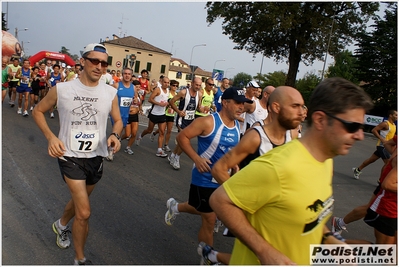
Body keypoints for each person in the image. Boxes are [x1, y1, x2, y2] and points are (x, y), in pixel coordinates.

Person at [209, 77, 373, 265]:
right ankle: (209, 253)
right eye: (352, 126)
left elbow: (312, 217)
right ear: (320, 120)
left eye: (361, 127)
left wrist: (330, 240)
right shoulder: (279, 166)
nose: (360, 135)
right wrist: (264, 250)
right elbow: (220, 200)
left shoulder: (326, 161)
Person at [32, 43, 123, 265]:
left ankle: (61, 224)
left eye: (104, 63)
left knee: (78, 202)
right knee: (84, 212)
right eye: (94, 61)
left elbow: (118, 120)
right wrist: (51, 137)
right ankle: (80, 259)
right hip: (69, 156)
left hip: (96, 157)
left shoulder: (110, 92)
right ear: (82, 61)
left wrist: (115, 136)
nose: (99, 66)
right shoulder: (62, 90)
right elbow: (38, 111)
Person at [164, 87, 252, 265]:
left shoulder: (237, 125)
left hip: (223, 179)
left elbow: (230, 150)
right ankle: (208, 257)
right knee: (209, 218)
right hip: (203, 178)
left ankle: (176, 207)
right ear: (225, 103)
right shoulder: (208, 122)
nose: (241, 107)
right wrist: (196, 158)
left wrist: (234, 164)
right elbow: (182, 137)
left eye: (243, 103)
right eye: (237, 103)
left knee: (202, 209)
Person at [364, 143, 397, 244]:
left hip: (395, 210)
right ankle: (331, 243)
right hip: (387, 209)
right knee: (383, 253)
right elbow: (387, 184)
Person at [167, 77, 203, 170]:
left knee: (181, 141)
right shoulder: (183, 92)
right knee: (185, 141)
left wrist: (203, 108)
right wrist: (178, 111)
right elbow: (171, 101)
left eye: (199, 85)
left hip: (191, 120)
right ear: (192, 83)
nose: (198, 87)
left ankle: (173, 155)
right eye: (196, 85)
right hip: (181, 120)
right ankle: (177, 159)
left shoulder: (199, 94)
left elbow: (198, 107)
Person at [352, 109, 397, 179]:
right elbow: (374, 130)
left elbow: (391, 136)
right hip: (382, 146)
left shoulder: (394, 125)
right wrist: (381, 138)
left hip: (387, 146)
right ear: (390, 115)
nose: (397, 117)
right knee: (388, 163)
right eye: (396, 115)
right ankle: (380, 181)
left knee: (371, 160)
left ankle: (357, 170)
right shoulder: (385, 124)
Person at [136, 76, 170, 157]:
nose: (166, 84)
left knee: (162, 132)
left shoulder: (168, 91)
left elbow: (166, 100)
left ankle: (159, 150)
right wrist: (159, 104)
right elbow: (150, 99)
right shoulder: (158, 90)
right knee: (149, 130)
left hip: (162, 114)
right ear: (162, 82)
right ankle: (140, 136)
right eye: (165, 82)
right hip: (154, 113)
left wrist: (167, 104)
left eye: (168, 83)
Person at [107, 67, 136, 161]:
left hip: (126, 114)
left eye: (129, 74)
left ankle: (114, 140)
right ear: (122, 75)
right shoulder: (116, 85)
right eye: (125, 74)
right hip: (116, 115)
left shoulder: (133, 87)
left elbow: (134, 100)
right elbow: (107, 96)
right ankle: (110, 152)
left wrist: (134, 106)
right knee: (116, 132)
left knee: (127, 134)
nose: (127, 75)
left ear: (131, 76)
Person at [150, 80, 180, 152]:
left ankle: (166, 145)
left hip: (171, 114)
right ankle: (154, 133)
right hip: (164, 113)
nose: (175, 87)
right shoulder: (167, 93)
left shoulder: (177, 94)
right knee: (163, 130)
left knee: (169, 130)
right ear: (171, 86)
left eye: (176, 86)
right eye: (173, 85)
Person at [123, 80, 142, 155]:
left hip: (135, 116)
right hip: (128, 115)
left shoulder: (139, 95)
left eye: (139, 87)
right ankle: (119, 139)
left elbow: (140, 105)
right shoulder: (129, 94)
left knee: (134, 133)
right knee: (127, 134)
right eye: (136, 87)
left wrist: (140, 109)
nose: (138, 88)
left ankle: (128, 147)